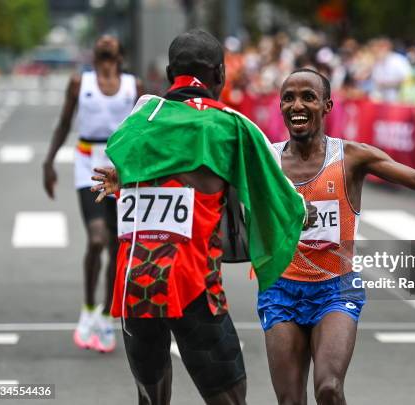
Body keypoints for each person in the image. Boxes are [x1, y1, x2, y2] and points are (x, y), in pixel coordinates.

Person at [91, 29, 313, 405]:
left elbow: (131, 158)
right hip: (194, 285)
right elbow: (289, 205)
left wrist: (125, 177)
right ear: (220, 75)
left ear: (167, 72)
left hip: (135, 284)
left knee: (150, 399)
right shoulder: (231, 127)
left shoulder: (142, 116)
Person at [257, 68, 415, 405]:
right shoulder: (268, 160)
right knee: (290, 401)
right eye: (289, 98)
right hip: (280, 290)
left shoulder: (351, 157)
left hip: (335, 289)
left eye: (308, 97)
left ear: (327, 106)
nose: (297, 105)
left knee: (329, 389)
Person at [42, 35, 143, 353]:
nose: (107, 39)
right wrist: (49, 162)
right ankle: (87, 309)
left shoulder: (132, 86)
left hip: (121, 170)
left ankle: (104, 314)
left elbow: (143, 131)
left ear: (120, 54)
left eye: (113, 39)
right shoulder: (79, 82)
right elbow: (63, 123)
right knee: (96, 238)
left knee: (116, 245)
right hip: (87, 165)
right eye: (102, 39)